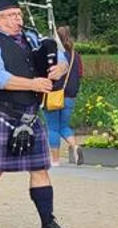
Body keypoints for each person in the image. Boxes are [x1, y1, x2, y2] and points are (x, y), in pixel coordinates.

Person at [0, 0, 68, 228]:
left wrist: (59, 67)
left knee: (40, 169)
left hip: (31, 115)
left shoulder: (33, 38)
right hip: (0, 114)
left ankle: (48, 221)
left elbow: (62, 57)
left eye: (19, 15)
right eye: (11, 15)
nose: (17, 19)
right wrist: (33, 84)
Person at [44, 26, 84, 166]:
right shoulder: (75, 55)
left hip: (54, 95)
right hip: (70, 96)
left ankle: (55, 160)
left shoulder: (53, 55)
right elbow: (79, 74)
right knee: (63, 126)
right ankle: (75, 147)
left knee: (53, 127)